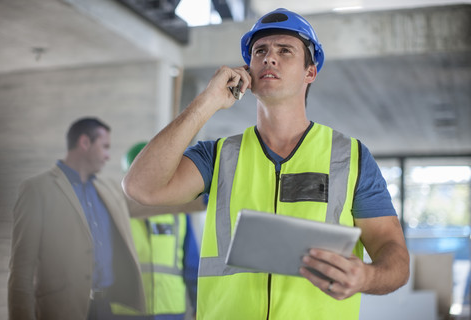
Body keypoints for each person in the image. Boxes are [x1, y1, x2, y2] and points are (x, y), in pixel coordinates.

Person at [122, 8, 410, 320]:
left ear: (310, 72)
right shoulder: (218, 155)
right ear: (248, 70)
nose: (269, 58)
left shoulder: (350, 157)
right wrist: (208, 101)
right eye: (260, 51)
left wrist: (367, 277)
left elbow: (393, 255)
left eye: (285, 50)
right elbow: (141, 187)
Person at [8, 117, 146, 320]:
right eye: (105, 146)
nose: (108, 156)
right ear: (84, 143)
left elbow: (148, 202)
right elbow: (21, 272)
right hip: (61, 311)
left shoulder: (110, 190)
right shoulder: (37, 190)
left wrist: (203, 192)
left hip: (107, 308)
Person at [111, 142, 203, 320]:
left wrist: (198, 305)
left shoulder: (178, 215)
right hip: (125, 312)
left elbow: (191, 265)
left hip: (170, 309)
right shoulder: (115, 214)